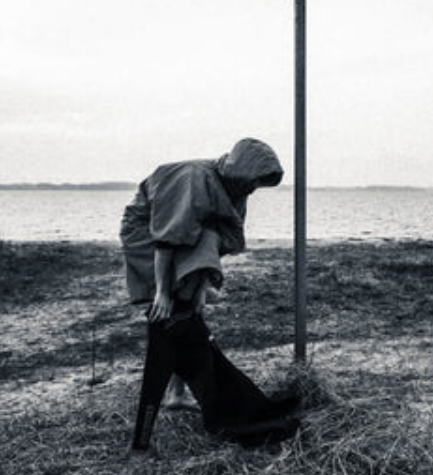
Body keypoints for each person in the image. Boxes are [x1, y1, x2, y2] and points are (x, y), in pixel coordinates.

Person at [120, 138, 301, 452]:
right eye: (255, 180)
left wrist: (201, 288)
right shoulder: (193, 179)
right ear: (241, 171)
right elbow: (167, 239)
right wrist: (162, 292)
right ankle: (149, 428)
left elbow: (221, 240)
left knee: (189, 313)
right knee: (171, 314)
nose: (255, 188)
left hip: (184, 239)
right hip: (146, 232)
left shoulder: (235, 189)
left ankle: (177, 395)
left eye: (260, 183)